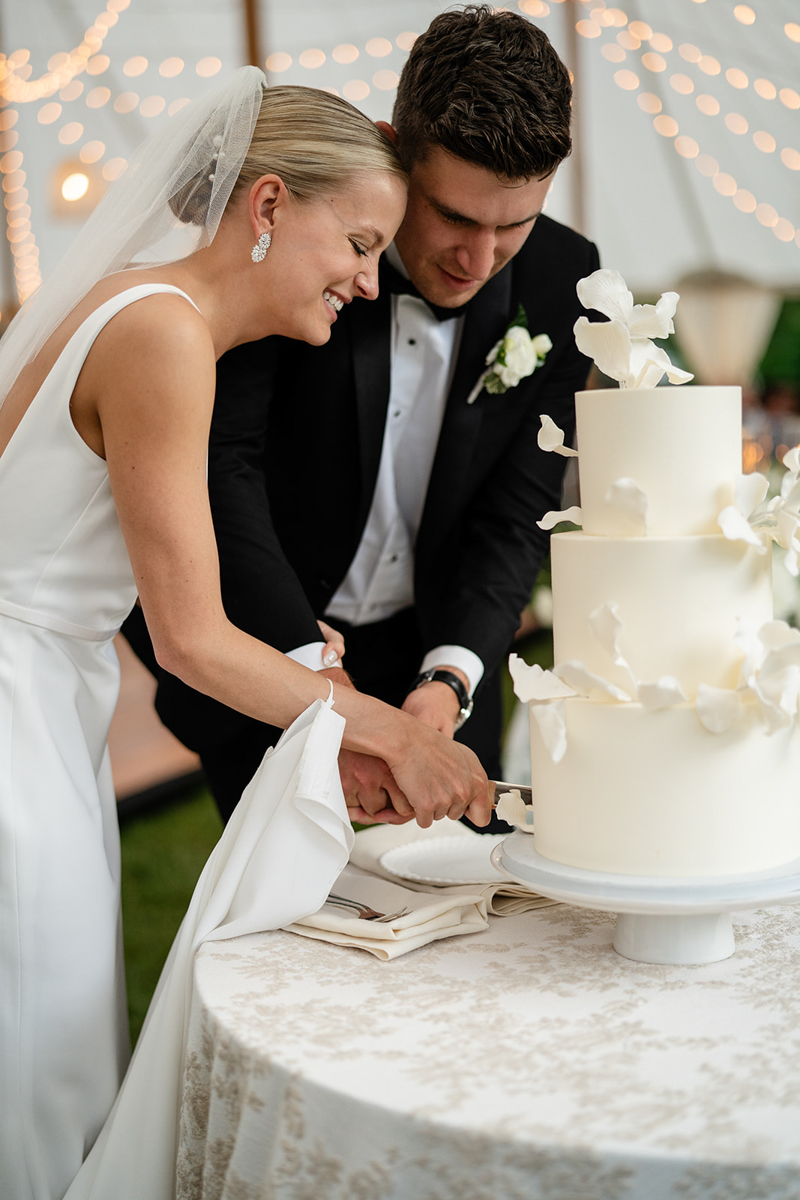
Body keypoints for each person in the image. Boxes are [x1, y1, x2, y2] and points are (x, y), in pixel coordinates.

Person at [0, 70, 491, 1200]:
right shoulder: (164, 337)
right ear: (267, 206)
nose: (369, 284)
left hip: (40, 686)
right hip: (20, 710)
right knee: (39, 1049)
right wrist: (386, 731)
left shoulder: (133, 306)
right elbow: (191, 642)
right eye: (360, 242)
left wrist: (302, 658)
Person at [127, 5, 600, 825]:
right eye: (454, 216)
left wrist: (448, 680)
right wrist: (318, 685)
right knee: (291, 920)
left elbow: (516, 513)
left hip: (436, 657)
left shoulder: (566, 280)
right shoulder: (290, 255)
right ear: (394, 148)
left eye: (513, 224)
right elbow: (221, 462)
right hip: (266, 642)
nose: (478, 261)